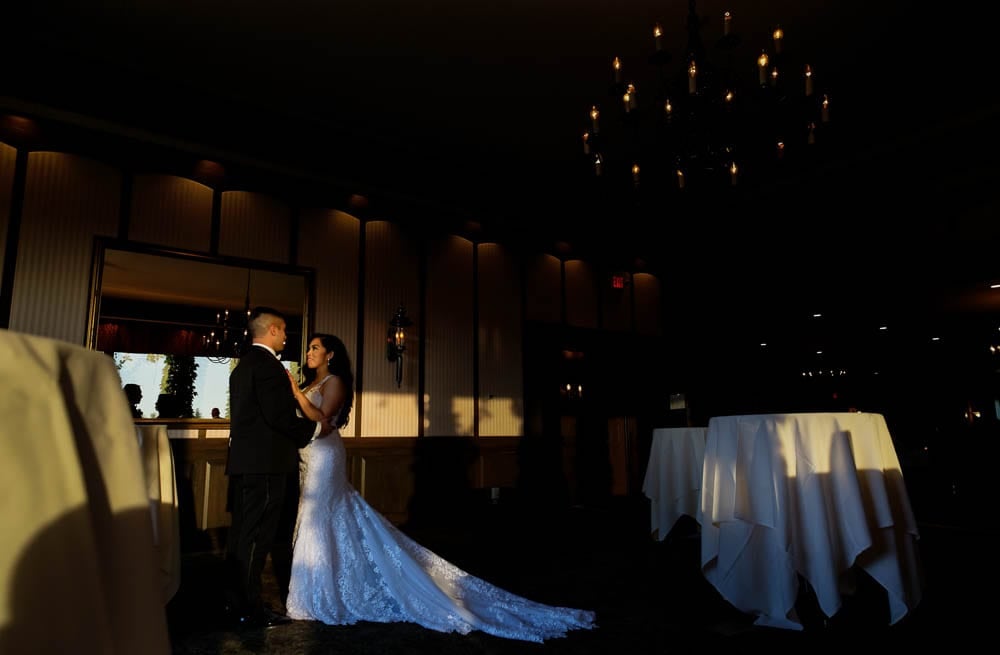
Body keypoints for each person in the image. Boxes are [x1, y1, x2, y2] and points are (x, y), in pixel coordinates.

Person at [284, 333, 596, 642]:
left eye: (315, 348)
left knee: (318, 516)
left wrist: (296, 394)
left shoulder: (333, 382)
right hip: (307, 458)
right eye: (309, 348)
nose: (309, 352)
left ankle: (318, 592)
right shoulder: (311, 384)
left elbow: (323, 423)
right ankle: (323, 584)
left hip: (324, 457)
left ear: (330, 355)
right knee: (317, 517)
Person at [224, 307, 333, 629]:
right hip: (267, 464)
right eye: (284, 330)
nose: (287, 336)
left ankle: (235, 603)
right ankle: (249, 609)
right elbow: (278, 417)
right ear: (272, 330)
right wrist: (314, 432)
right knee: (258, 537)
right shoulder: (269, 367)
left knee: (242, 536)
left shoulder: (243, 366)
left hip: (247, 464)